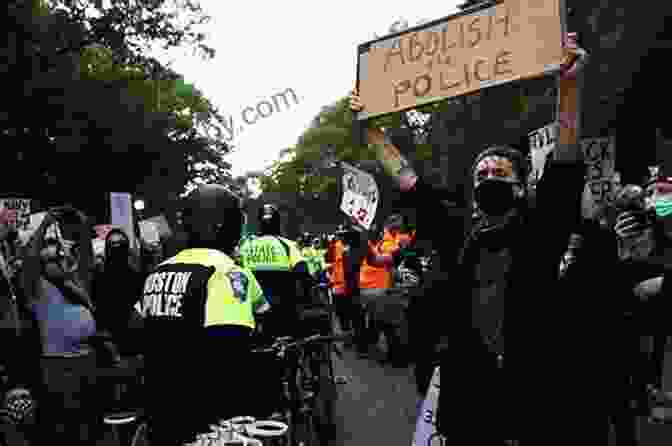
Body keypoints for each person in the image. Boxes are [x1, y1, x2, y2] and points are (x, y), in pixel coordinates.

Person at [350, 32, 589, 444]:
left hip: (534, 399)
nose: (489, 180)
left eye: (500, 175)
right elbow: (408, 181)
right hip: (468, 401)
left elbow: (565, 164)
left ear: (521, 186)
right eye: (482, 175)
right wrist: (372, 132)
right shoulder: (456, 232)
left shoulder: (541, 231)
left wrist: (569, 88)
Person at [136, 185, 269, 445]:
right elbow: (231, 349)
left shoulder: (158, 272)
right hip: (207, 422)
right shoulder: (226, 272)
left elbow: (137, 328)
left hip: (158, 410)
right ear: (224, 225)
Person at [20, 207, 101, 446]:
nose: (58, 260)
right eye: (52, 259)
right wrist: (45, 223)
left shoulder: (78, 283)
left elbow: (85, 254)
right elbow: (29, 258)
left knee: (89, 428)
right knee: (64, 430)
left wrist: (82, 224)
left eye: (61, 257)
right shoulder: (36, 288)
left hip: (87, 361)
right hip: (59, 367)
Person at [238, 204, 314, 339]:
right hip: (284, 314)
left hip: (252, 314)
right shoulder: (287, 245)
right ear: (278, 222)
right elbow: (303, 275)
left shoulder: (246, 246)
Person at [92, 228, 144, 357]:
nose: (116, 247)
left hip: (132, 338)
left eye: (120, 244)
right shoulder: (99, 276)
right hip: (109, 342)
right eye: (112, 244)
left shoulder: (136, 275)